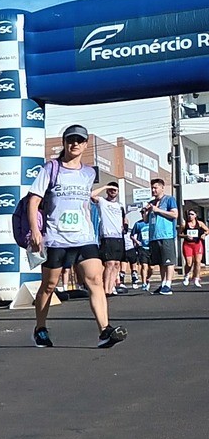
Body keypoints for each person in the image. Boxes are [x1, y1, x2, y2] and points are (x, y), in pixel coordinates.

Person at [25, 125, 125, 350]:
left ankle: (105, 331)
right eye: (71, 140)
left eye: (80, 140)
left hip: (84, 237)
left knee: (95, 280)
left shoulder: (89, 173)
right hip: (56, 238)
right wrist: (35, 231)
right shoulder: (51, 169)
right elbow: (33, 200)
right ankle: (40, 328)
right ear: (64, 143)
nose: (75, 144)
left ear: (85, 145)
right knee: (49, 285)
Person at [142, 175, 180, 294]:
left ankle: (168, 284)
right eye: (152, 188)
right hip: (154, 236)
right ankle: (163, 283)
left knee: (168, 261)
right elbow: (146, 221)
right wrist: (146, 212)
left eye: (156, 188)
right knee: (161, 262)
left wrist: (158, 210)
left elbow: (175, 215)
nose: (153, 190)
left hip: (166, 235)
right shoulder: (151, 202)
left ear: (162, 188)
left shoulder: (169, 199)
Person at [95, 180, 126, 297]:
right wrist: (105, 186)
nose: (113, 192)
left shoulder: (120, 205)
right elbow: (91, 195)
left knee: (117, 264)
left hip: (119, 237)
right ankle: (105, 289)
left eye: (115, 190)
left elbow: (124, 218)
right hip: (107, 237)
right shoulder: (102, 202)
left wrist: (125, 226)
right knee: (109, 263)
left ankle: (111, 287)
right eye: (111, 189)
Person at [183, 206, 206, 286]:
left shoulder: (199, 223)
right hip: (188, 245)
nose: (190, 216)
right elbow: (179, 234)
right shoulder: (184, 224)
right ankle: (186, 276)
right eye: (189, 214)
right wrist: (185, 236)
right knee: (189, 263)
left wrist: (204, 234)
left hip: (197, 244)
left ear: (195, 215)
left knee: (197, 262)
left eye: (192, 214)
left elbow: (207, 230)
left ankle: (196, 278)